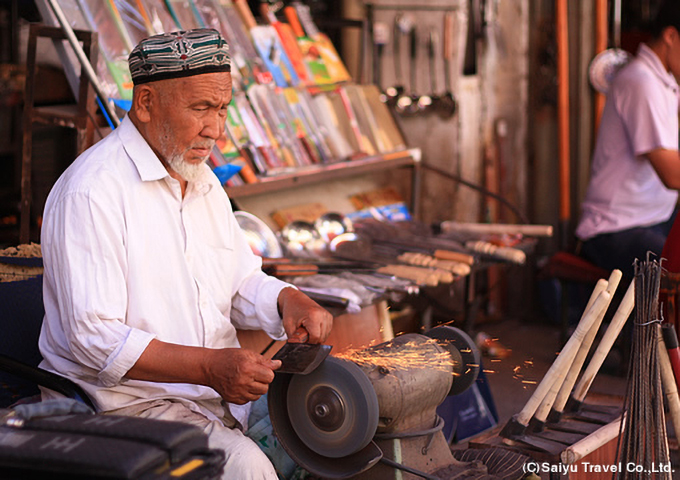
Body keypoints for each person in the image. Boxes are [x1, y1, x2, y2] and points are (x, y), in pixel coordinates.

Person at [38, 28, 333, 480]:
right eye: (200, 108)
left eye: (220, 109)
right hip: (123, 406)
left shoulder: (201, 179)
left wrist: (287, 299)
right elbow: (94, 339)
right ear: (146, 103)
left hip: (210, 395)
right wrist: (210, 367)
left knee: (329, 431)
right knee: (248, 468)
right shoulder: (92, 192)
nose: (215, 129)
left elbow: (236, 281)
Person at [575, 0, 680, 280]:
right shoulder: (641, 81)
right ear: (670, 36)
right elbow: (672, 174)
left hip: (654, 219)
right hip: (615, 229)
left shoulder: (665, 83)